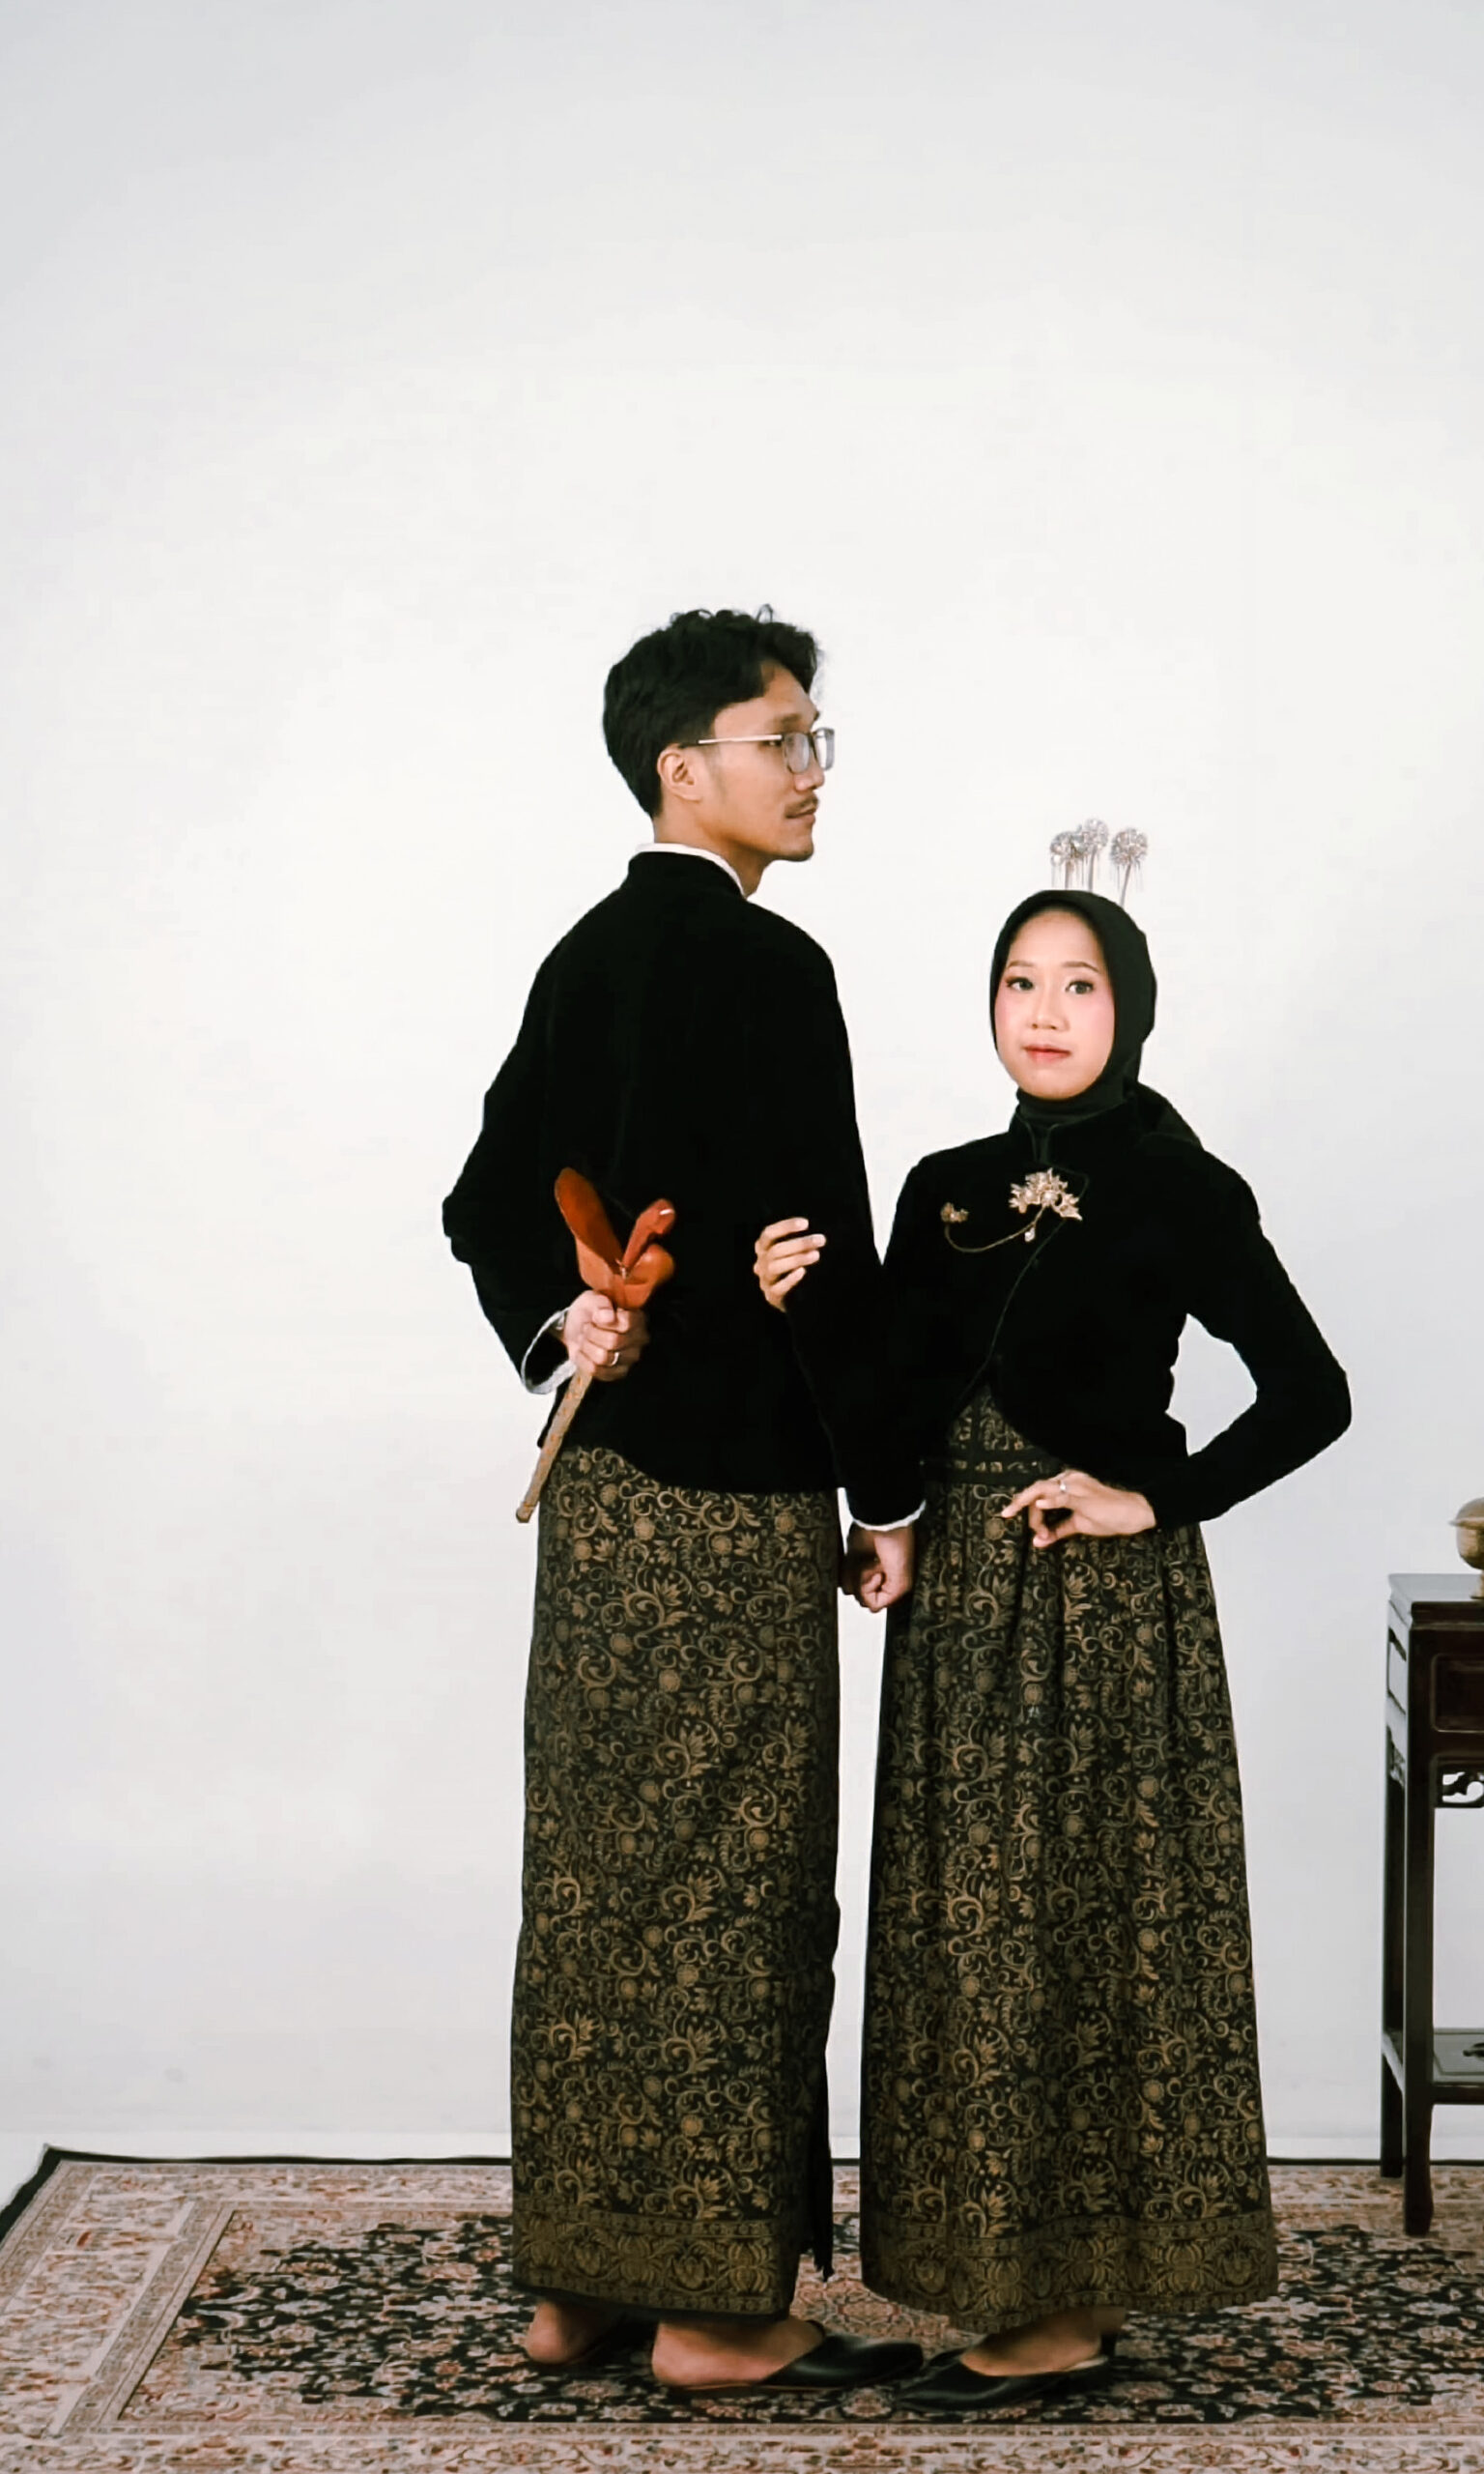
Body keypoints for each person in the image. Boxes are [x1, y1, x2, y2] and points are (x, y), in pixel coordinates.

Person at [755, 886, 1351, 2411]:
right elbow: (894, 1387)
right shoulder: (945, 1186)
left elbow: (1310, 1391)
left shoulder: (1180, 1185)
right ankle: (996, 2278)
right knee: (967, 1935)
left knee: (1086, 1928)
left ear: (1128, 1008)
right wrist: (823, 1353)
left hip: (1098, 1609)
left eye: (1078, 984)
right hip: (958, 1602)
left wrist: (1156, 1495)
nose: (1044, 1010)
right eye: (1020, 981)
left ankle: (1071, 2309)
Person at [442, 608, 923, 2397]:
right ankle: (719, 2316)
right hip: (735, 1507)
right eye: (782, 738)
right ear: (682, 766)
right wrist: (888, 1491)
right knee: (738, 1891)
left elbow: (485, 1202)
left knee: (596, 1883)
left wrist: (559, 1327)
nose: (811, 771)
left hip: (602, 1507)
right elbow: (821, 1253)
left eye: (812, 739)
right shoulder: (773, 966)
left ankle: (577, 2291)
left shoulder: (584, 954)